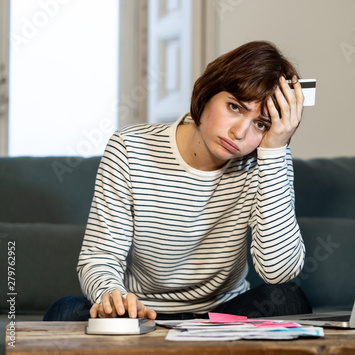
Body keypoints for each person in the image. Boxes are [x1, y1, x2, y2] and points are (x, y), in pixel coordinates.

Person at [44, 40, 311, 321]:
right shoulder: (129, 147)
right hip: (139, 312)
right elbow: (101, 255)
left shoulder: (268, 157)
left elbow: (278, 271)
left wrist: (274, 151)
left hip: (221, 315)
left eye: (261, 124)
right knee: (64, 312)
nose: (240, 132)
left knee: (288, 298)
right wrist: (114, 299)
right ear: (207, 94)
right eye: (234, 107)